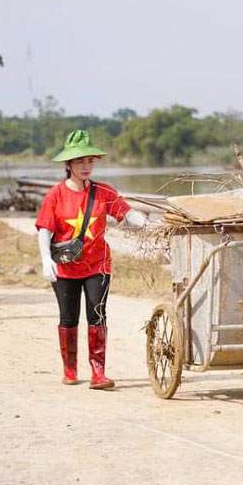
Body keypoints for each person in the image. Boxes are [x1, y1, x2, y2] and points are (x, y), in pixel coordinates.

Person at [35, 130, 149, 390]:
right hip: (65, 267)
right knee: (68, 318)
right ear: (68, 165)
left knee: (97, 315)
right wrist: (45, 260)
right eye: (79, 162)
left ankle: (98, 373)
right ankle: (70, 369)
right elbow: (45, 230)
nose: (86, 166)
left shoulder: (103, 192)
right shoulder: (55, 195)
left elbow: (127, 213)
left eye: (90, 161)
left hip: (98, 265)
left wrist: (148, 223)